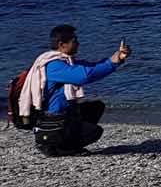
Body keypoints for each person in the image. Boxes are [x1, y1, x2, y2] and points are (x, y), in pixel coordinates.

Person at [22, 25, 132, 155]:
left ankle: (63, 141)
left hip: (62, 116)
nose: (78, 44)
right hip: (53, 121)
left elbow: (92, 66)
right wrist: (112, 63)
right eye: (75, 41)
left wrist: (117, 58)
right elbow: (85, 75)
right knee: (94, 132)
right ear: (62, 44)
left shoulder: (65, 61)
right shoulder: (54, 65)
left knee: (96, 107)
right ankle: (59, 147)